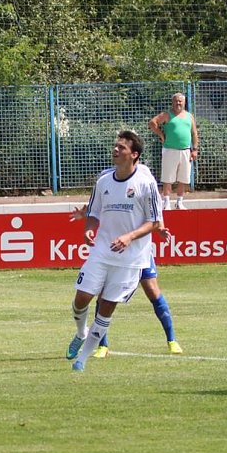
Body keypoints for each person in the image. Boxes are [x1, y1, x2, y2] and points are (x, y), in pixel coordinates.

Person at [65, 130, 162, 372]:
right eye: (115, 146)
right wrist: (89, 228)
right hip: (102, 252)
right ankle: (80, 332)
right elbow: (93, 212)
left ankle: (82, 360)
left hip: (131, 259)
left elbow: (154, 222)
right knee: (81, 298)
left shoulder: (146, 183)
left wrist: (129, 236)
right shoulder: (103, 181)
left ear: (134, 155)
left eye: (122, 147)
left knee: (106, 307)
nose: (115, 150)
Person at [70, 183, 183, 357]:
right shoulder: (112, 183)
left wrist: (160, 229)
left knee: (153, 292)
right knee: (104, 296)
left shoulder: (146, 185)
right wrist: (86, 214)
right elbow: (104, 211)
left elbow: (154, 216)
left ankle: (172, 340)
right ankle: (102, 346)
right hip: (114, 253)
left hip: (139, 254)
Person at [148, 93, 200, 210]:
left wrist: (195, 149)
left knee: (184, 178)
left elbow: (194, 133)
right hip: (170, 150)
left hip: (185, 151)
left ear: (184, 102)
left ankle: (179, 202)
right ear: (172, 102)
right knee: (168, 177)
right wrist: (161, 134)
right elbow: (152, 123)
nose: (178, 103)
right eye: (176, 101)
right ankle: (166, 202)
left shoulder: (189, 116)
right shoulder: (167, 115)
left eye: (180, 101)